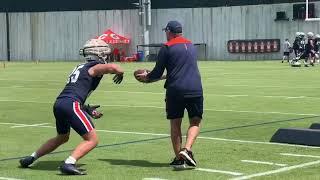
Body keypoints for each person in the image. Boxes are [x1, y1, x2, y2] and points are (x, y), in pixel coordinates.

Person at [19, 39, 124, 175]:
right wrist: (120, 73)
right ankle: (69, 163)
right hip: (71, 104)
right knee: (92, 140)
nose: (107, 56)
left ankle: (31, 158)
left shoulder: (81, 67)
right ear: (100, 54)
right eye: (105, 54)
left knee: (62, 137)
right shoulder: (94, 67)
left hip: (60, 103)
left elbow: (74, 92)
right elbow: (114, 68)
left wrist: (87, 109)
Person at [137, 20, 203, 169]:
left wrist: (147, 77)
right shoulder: (192, 46)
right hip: (195, 89)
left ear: (169, 32)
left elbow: (157, 72)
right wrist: (156, 76)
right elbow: (178, 71)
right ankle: (187, 149)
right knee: (195, 122)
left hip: (175, 90)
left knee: (175, 123)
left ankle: (179, 158)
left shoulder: (166, 48)